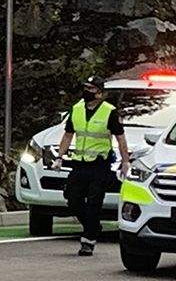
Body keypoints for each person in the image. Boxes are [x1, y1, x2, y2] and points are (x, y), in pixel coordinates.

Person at [54, 76, 131, 257]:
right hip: (79, 164)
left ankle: (88, 241)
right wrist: (59, 156)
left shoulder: (109, 112)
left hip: (99, 164)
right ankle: (93, 226)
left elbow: (120, 138)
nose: (86, 91)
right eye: (85, 87)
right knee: (73, 199)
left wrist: (125, 161)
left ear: (99, 92)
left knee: (94, 203)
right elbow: (68, 135)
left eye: (90, 88)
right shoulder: (77, 109)